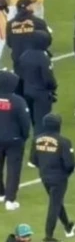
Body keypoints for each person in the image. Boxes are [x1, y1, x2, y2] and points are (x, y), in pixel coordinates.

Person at [31, 114, 75, 242]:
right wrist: (65, 174)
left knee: (56, 201)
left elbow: (33, 160)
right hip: (59, 177)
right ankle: (48, 237)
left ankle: (68, 226)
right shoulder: (64, 141)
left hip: (44, 176)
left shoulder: (37, 139)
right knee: (54, 204)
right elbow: (70, 164)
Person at [0, 71, 30, 213]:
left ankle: (0, 193)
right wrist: (24, 136)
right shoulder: (18, 101)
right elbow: (25, 122)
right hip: (14, 140)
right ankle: (10, 200)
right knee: (13, 170)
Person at [19, 30, 56, 128]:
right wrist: (53, 88)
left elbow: (21, 74)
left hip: (27, 91)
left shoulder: (24, 55)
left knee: (33, 120)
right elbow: (48, 78)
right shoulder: (43, 57)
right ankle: (39, 140)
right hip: (41, 93)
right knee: (42, 121)